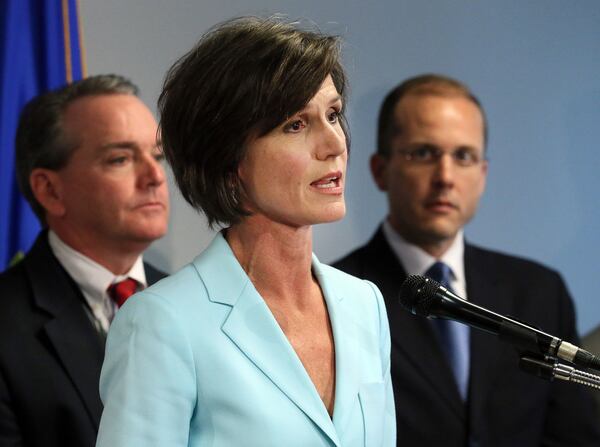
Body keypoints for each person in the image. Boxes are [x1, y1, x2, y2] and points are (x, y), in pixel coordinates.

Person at [96, 17, 395, 447]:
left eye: (333, 114)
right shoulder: (163, 322)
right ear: (229, 160)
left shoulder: (364, 305)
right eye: (296, 124)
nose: (334, 144)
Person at [334, 74, 600, 446]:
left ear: (482, 174)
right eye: (424, 153)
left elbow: (575, 437)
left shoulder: (538, 291)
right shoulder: (337, 296)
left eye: (463, 156)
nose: (445, 177)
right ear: (380, 170)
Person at [0, 74, 169, 447]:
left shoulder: (194, 303)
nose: (155, 176)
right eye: (120, 159)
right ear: (50, 190)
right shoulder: (6, 325)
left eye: (157, 156)